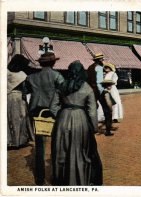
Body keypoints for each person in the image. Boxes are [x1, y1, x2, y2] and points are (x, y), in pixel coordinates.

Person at [50, 60, 103, 186]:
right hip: (81, 120)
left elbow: (52, 107)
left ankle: (62, 181)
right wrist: (94, 127)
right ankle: (78, 180)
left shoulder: (61, 85)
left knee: (62, 151)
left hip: (62, 119)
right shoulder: (87, 87)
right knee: (80, 151)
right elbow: (92, 111)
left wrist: (62, 115)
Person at [22, 52, 64, 185]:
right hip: (52, 111)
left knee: (40, 145)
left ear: (40, 63)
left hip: (36, 111)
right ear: (53, 63)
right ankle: (56, 177)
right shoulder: (57, 75)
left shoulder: (31, 77)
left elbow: (24, 92)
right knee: (55, 144)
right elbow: (63, 93)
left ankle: (39, 178)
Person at [7, 54, 34, 149]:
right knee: (20, 118)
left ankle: (9, 141)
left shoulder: (6, 73)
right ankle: (19, 141)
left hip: (8, 97)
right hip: (18, 98)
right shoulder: (22, 75)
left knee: (8, 118)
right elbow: (26, 89)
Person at [87, 53, 105, 122]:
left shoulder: (90, 67)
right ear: (99, 59)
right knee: (105, 107)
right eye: (102, 58)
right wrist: (102, 91)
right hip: (98, 89)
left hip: (91, 89)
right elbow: (99, 81)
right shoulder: (99, 68)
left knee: (93, 106)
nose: (102, 60)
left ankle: (93, 120)